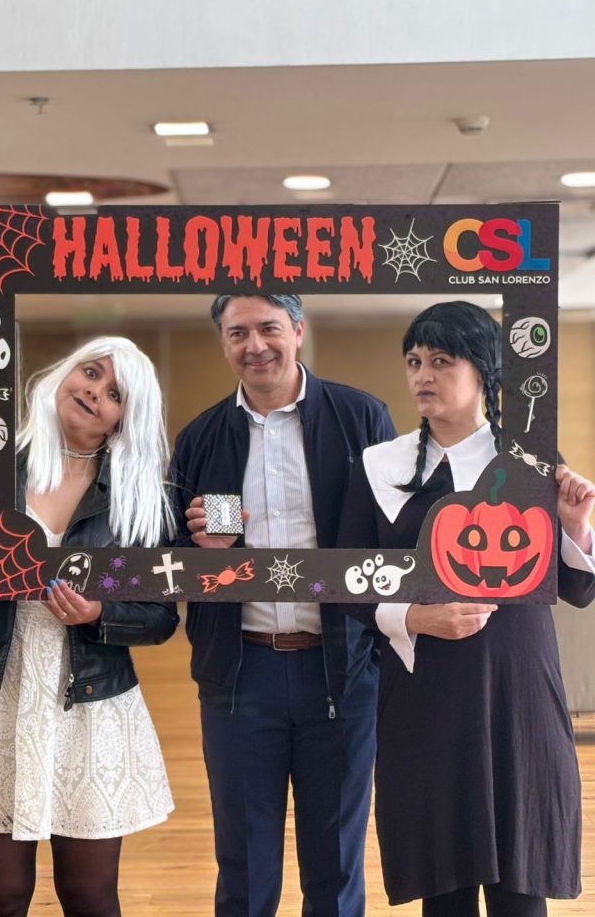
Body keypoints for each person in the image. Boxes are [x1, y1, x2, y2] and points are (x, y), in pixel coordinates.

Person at [336, 301, 595, 917]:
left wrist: (576, 524)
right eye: (414, 362)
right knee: (443, 886)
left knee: (521, 888)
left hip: (518, 690)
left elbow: (579, 587)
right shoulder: (379, 465)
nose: (423, 375)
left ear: (483, 370)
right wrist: (412, 616)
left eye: (441, 361)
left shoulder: (531, 462)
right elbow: (346, 581)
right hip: (426, 690)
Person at [0, 336, 178, 917]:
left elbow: (161, 617)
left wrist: (99, 614)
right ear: (66, 372)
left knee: (89, 896)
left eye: (115, 393)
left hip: (90, 698)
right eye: (91, 372)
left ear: (123, 420)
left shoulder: (136, 497)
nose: (94, 392)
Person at [169, 293, 396, 917]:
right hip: (240, 675)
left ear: (297, 330)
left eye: (268, 328)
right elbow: (171, 560)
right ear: (224, 343)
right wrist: (207, 553)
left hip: (343, 670)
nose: (255, 346)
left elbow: (395, 538)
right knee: (243, 866)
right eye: (237, 333)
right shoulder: (202, 438)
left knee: (336, 863)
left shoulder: (361, 417)